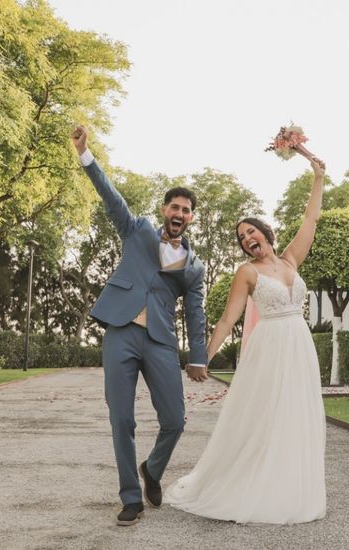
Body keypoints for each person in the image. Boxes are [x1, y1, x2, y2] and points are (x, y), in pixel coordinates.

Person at [163, 152, 327, 524]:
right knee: (266, 417)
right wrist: (202, 356)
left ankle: (290, 488)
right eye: (241, 238)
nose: (248, 238)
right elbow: (226, 320)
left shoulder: (290, 261)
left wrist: (317, 177)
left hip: (299, 346)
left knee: (296, 416)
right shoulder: (247, 272)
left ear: (265, 232)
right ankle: (254, 487)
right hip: (269, 349)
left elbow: (310, 219)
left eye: (251, 231)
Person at [70, 126, 209, 527]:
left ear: (191, 218)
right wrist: (85, 153)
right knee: (122, 418)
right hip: (121, 330)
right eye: (174, 207)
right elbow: (110, 196)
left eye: (186, 210)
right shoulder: (137, 230)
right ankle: (131, 497)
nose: (179, 214)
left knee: (175, 420)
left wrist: (198, 357)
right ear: (164, 209)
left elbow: (196, 312)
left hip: (162, 339)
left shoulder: (194, 266)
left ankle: (153, 469)